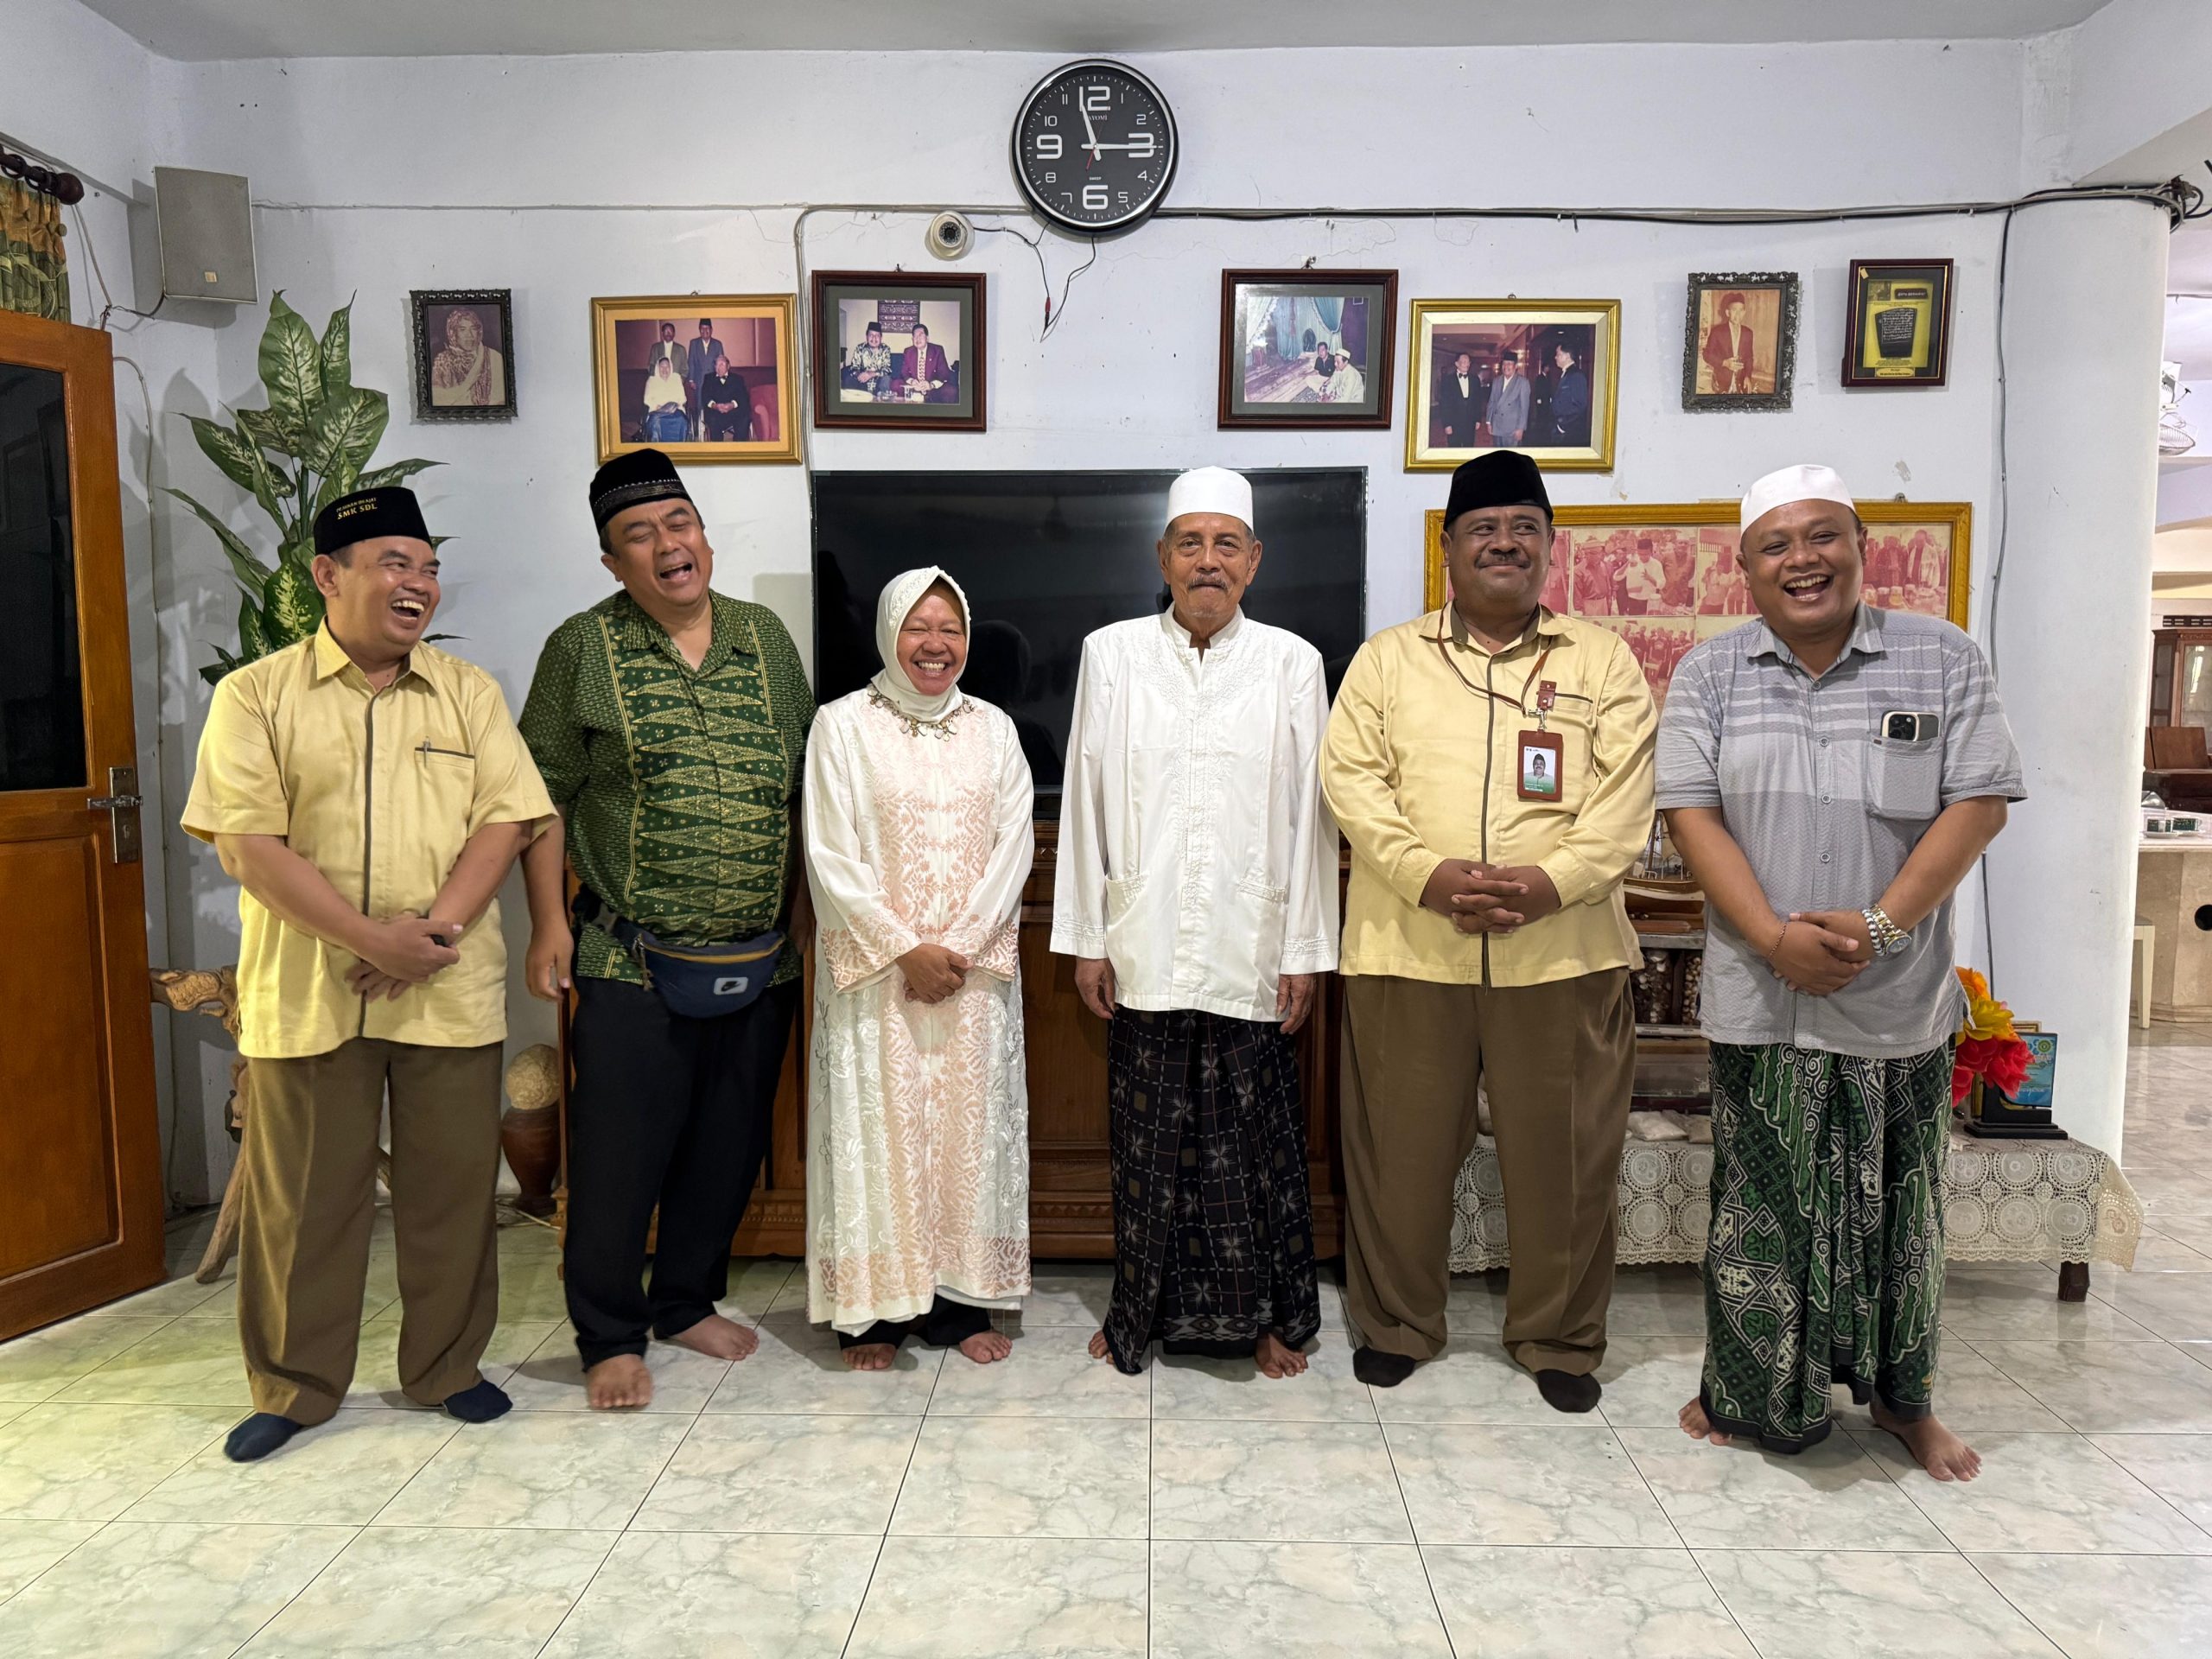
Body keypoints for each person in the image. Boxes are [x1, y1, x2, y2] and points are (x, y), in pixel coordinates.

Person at [1659, 463, 2023, 1480]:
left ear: (1862, 547)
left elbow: (1979, 802)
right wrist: (1773, 936)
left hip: (1895, 1000)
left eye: (1821, 537)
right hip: (1760, 996)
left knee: (1900, 1215)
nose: (1800, 560)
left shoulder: (1941, 659)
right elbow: (1692, 815)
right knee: (1759, 1207)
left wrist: (1878, 926)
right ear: (1745, 569)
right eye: (1774, 546)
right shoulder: (1711, 674)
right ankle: (1746, 1392)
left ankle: (1905, 1403)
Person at [181, 486, 554, 1462]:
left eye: (428, 568)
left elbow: (507, 820)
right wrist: (364, 938)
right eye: (395, 563)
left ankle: (446, 1369)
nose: (418, 584)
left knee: (451, 1192)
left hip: (444, 979)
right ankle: (295, 1387)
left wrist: (431, 930)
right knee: (303, 1202)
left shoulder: (467, 693)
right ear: (327, 576)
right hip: (310, 989)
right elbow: (248, 845)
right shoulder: (255, 695)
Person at [1322, 449, 1656, 1411]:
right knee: (1398, 1153)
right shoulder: (1389, 659)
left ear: (1549, 546)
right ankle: (1396, 1324)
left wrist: (1550, 886)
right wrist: (1425, 876)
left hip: (1563, 951)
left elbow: (1625, 803)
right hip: (1408, 947)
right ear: (1448, 547)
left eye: (1522, 527)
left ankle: (1557, 1337)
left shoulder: (1601, 661)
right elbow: (1352, 780)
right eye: (1483, 527)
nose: (1503, 542)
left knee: (1564, 1160)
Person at [518, 448, 815, 1410]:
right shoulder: (580, 649)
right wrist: (546, 924)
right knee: (617, 1155)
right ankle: (608, 1332)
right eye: (638, 536)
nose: (667, 547)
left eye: (677, 524)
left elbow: (809, 783)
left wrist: (808, 915)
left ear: (704, 535)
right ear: (613, 564)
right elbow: (539, 797)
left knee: (725, 1145)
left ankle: (684, 1298)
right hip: (626, 953)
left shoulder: (766, 639)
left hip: (759, 959)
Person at [1054, 466, 1338, 1378]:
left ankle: (1267, 1317)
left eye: (1226, 545)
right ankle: (1139, 1311)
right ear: (1163, 558)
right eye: (1190, 544)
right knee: (1147, 1142)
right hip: (1140, 934)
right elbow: (1088, 798)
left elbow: (1311, 814)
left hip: (1252, 940)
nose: (1207, 562)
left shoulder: (1293, 663)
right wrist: (1088, 937)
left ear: (1253, 562)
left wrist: (1303, 951)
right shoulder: (1112, 653)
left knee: (1251, 1144)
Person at [804, 568, 1036, 1370]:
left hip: (969, 980)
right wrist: (905, 948)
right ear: (888, 631)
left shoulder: (995, 729)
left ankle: (962, 1306)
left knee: (971, 1144)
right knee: (882, 1139)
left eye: (951, 628)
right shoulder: (841, 726)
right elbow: (830, 854)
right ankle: (873, 1321)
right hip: (880, 979)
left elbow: (1016, 847)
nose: (936, 645)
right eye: (919, 627)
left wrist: (959, 948)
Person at [428, 306, 505, 408]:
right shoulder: (442, 361)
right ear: (453, 333)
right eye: (462, 330)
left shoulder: (494, 357)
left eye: (473, 329)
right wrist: (467, 384)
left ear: (479, 332)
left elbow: (502, 399)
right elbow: (436, 401)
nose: (469, 335)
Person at [1702, 292, 1758, 395]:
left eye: (1741, 310)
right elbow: (1707, 355)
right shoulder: (1717, 332)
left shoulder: (1748, 333)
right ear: (1728, 313)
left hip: (1741, 383)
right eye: (1734, 310)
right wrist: (1725, 363)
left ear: (1744, 312)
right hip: (1721, 382)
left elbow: (1749, 357)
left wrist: (1747, 376)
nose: (1738, 314)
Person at [698, 351, 752, 442]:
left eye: (722, 364)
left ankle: (738, 448)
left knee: (744, 417)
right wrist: (715, 406)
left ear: (728, 366)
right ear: (714, 367)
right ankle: (718, 450)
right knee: (713, 420)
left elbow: (743, 397)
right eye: (717, 365)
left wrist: (732, 405)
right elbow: (705, 397)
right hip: (715, 412)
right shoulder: (708, 378)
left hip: (733, 411)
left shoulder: (738, 379)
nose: (719, 367)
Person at [1547, 342, 1592, 446]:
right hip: (1560, 428)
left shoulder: (1577, 375)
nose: (1555, 357)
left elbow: (1580, 405)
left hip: (1568, 432)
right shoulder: (1566, 373)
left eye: (1558, 354)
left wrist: (1562, 426)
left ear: (1567, 356)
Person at [1436, 350, 1482, 447]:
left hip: (1470, 422)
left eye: (1468, 362)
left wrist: (1478, 419)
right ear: (1457, 364)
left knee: (1469, 448)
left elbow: (1478, 401)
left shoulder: (1475, 379)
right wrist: (1447, 424)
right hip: (1454, 423)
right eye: (1464, 362)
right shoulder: (1448, 380)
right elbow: (1444, 404)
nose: (1467, 364)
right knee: (1454, 448)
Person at [640, 355, 689, 444]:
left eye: (667, 367)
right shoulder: (652, 380)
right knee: (656, 422)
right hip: (657, 411)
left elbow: (682, 398)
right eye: (662, 367)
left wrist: (676, 405)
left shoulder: (676, 378)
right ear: (658, 368)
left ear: (671, 368)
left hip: (675, 411)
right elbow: (647, 399)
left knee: (682, 420)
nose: (665, 370)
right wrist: (656, 406)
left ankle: (680, 448)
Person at [1485, 351, 1529, 448]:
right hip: (1497, 426)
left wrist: (1521, 428)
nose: (1506, 367)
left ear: (1516, 366)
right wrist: (1488, 421)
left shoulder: (1522, 382)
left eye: (1509, 364)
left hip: (1512, 428)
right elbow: (1492, 402)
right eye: (1504, 364)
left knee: (1511, 458)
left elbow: (1524, 408)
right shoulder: (1497, 381)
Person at [900, 322, 952, 403]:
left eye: (921, 335)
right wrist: (912, 382)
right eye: (915, 336)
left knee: (951, 391)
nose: (918, 339)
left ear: (927, 338)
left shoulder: (937, 350)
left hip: (932, 389)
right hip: (914, 388)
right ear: (912, 339)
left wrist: (931, 385)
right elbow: (904, 373)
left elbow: (944, 373)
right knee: (895, 384)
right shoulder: (908, 351)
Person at [846, 321, 896, 399]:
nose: (874, 338)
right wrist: (859, 374)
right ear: (867, 337)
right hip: (862, 382)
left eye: (877, 335)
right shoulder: (860, 348)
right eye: (871, 335)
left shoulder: (885, 349)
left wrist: (871, 374)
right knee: (849, 379)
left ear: (881, 337)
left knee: (886, 379)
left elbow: (887, 369)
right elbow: (853, 367)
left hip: (879, 383)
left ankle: (883, 405)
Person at [686, 318, 721, 403]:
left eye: (707, 328)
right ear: (699, 330)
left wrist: (720, 379)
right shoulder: (694, 343)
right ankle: (700, 416)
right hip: (699, 380)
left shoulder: (717, 344)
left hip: (713, 380)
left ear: (711, 330)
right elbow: (691, 361)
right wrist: (691, 380)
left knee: (713, 403)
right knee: (700, 404)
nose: (705, 330)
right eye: (702, 328)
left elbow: (721, 362)